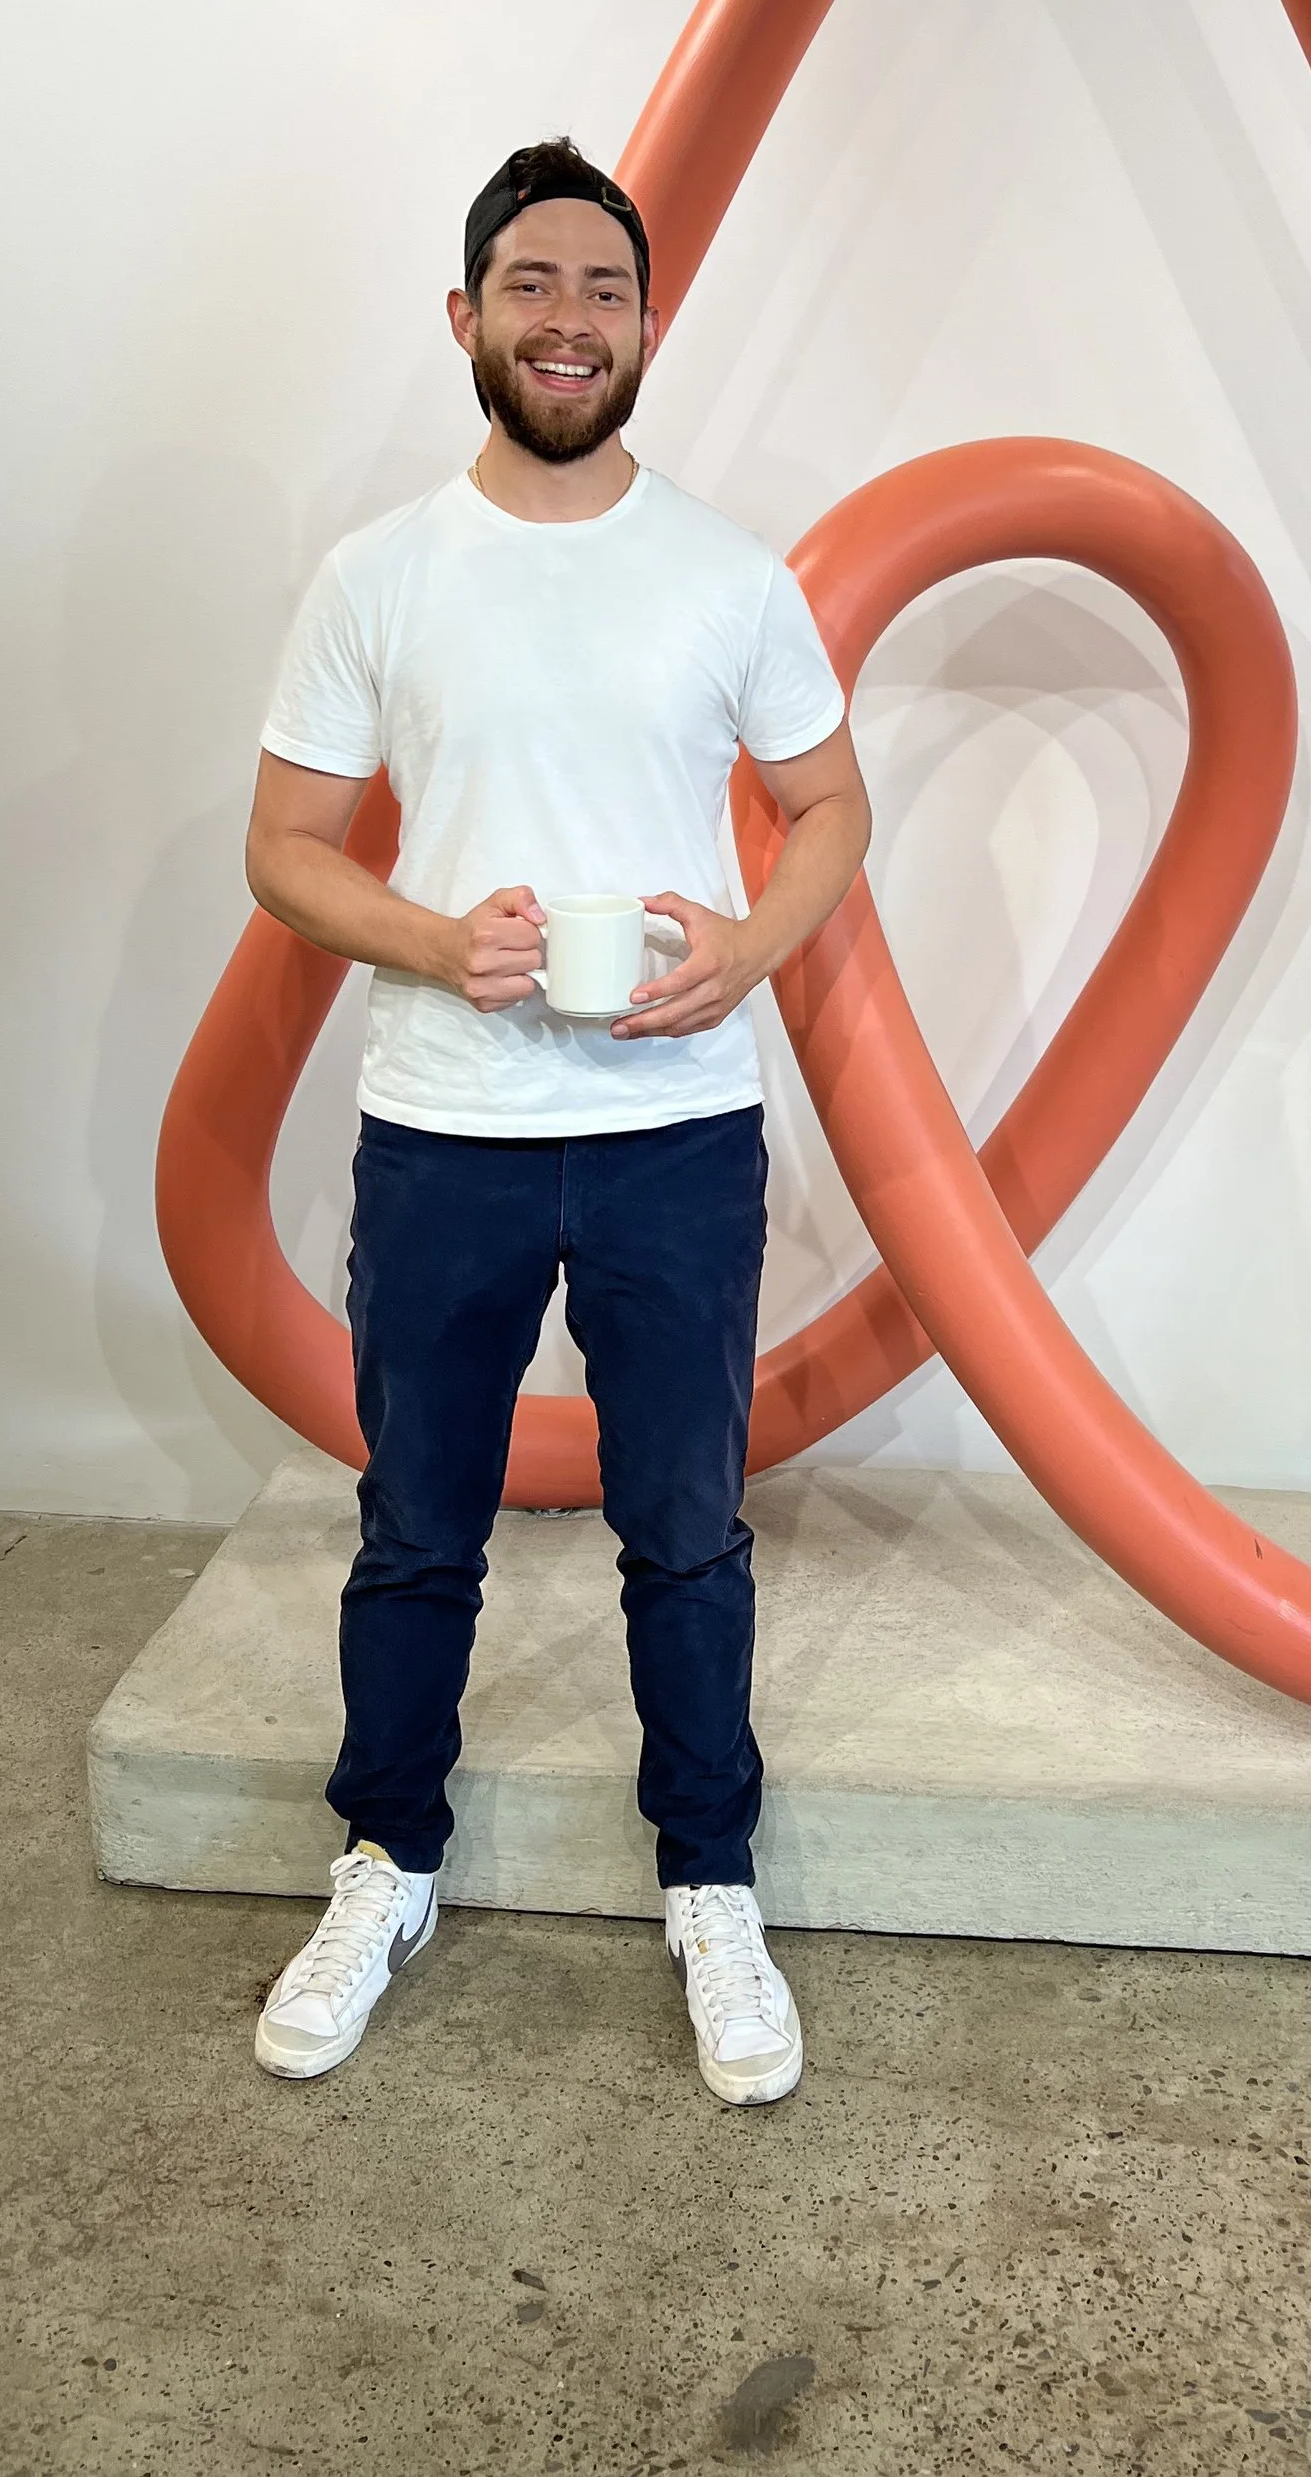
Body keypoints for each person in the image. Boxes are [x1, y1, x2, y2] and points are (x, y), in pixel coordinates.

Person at [239, 139, 870, 2103]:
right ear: (467, 319)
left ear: (645, 323)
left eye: (602, 287)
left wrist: (751, 944)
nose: (568, 319)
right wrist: (437, 938)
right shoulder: (378, 576)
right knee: (415, 1527)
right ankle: (385, 1856)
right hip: (441, 1134)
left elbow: (832, 804)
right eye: (531, 284)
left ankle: (708, 1876)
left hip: (678, 1128)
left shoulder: (725, 569)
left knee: (685, 1526)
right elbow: (279, 851)